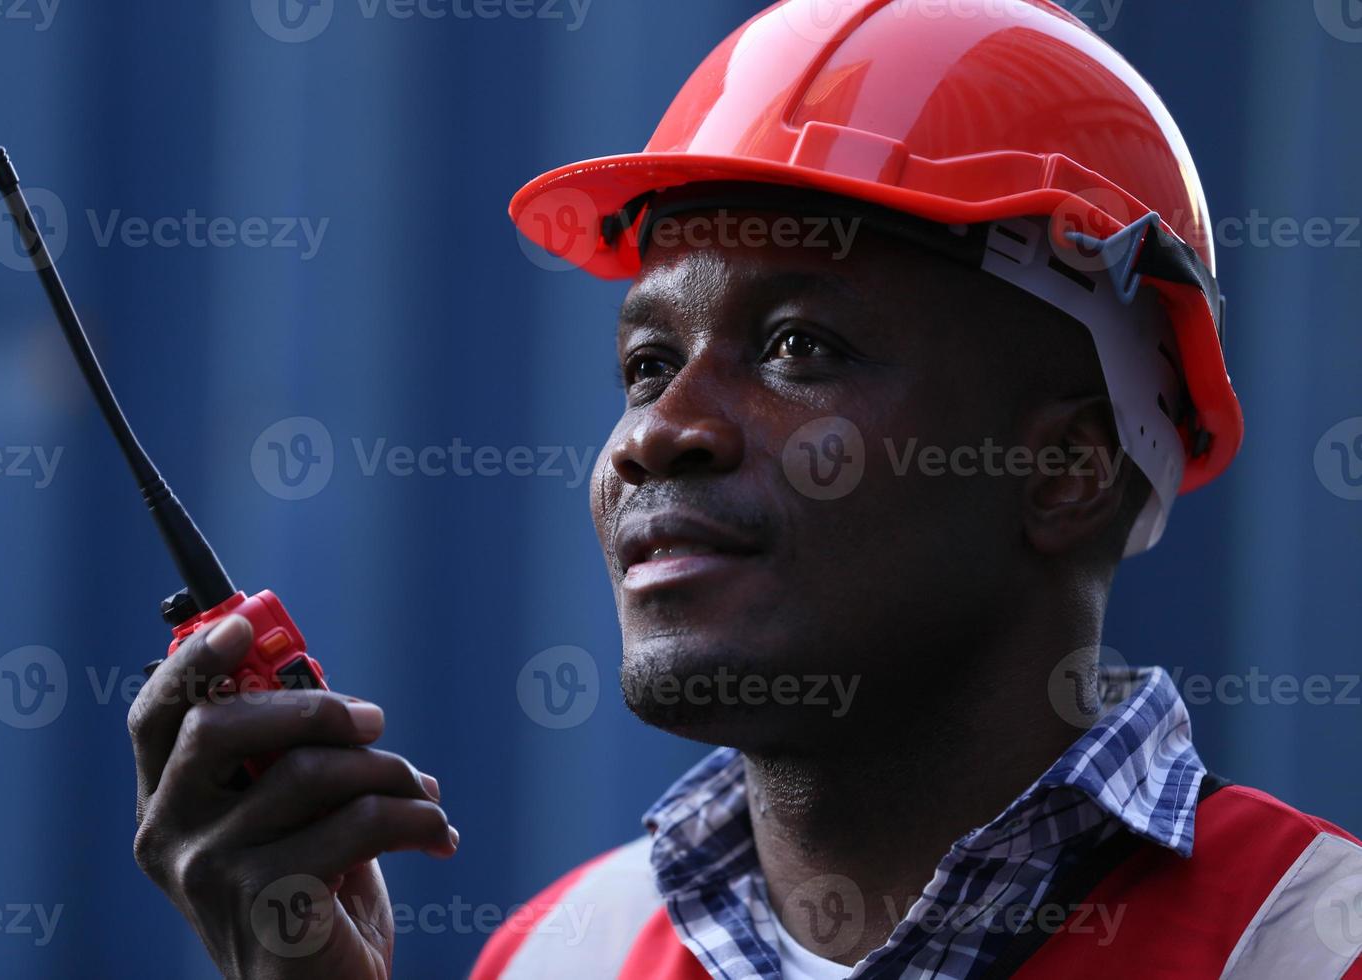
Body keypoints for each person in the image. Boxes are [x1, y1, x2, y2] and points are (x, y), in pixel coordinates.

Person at [126, 1, 1362, 977]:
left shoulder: (1314, 947)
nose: (658, 435)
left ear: (1069, 468)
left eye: (799, 349)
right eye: (647, 364)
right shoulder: (558, 956)